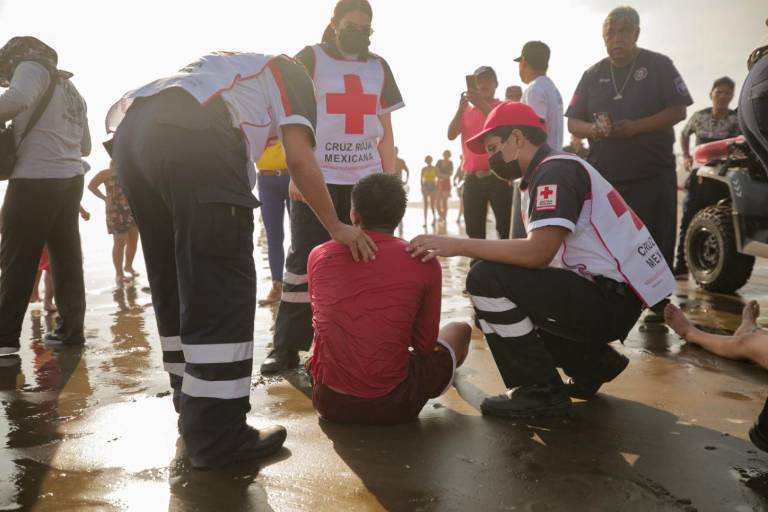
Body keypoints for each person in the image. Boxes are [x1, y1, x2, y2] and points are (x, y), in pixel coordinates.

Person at [106, 51, 376, 469]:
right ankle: (218, 437)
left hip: (132, 134)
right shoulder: (292, 74)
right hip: (196, 134)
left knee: (175, 276)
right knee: (221, 282)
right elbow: (300, 159)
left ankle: (191, 408)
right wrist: (338, 227)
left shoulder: (231, 67)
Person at [408, 102, 675, 418]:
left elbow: (538, 253)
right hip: (613, 297)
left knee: (484, 280)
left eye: (494, 148)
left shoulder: (554, 172)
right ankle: (592, 363)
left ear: (517, 138)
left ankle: (538, 390)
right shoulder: (548, 169)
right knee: (493, 297)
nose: (491, 158)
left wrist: (458, 245)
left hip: (606, 301)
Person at [261, 0, 404, 374]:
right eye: (351, 25)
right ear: (334, 24)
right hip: (319, 177)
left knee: (368, 257)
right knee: (303, 260)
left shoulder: (379, 67)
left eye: (365, 28)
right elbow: (292, 115)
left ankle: (364, 339)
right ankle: (287, 347)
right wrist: (297, 172)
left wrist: (389, 181)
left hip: (366, 179)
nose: (358, 33)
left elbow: (385, 131)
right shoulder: (309, 58)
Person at [309, 174, 472, 424]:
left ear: (354, 214)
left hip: (328, 402)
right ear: (400, 216)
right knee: (459, 330)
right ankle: (448, 376)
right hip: (394, 405)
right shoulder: (421, 260)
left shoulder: (318, 255)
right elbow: (425, 346)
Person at [566, 6, 692, 283]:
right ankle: (609, 299)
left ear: (636, 33)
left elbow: (678, 110)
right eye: (610, 33)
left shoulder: (659, 65)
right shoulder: (592, 73)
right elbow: (573, 122)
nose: (617, 38)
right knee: (606, 242)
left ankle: (659, 305)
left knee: (656, 241)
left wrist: (636, 127)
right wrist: (594, 130)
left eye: (623, 31)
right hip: (606, 178)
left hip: (652, 173)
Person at [0, 36, 90, 354]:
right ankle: (70, 332)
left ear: (15, 57)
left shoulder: (31, 66)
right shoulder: (72, 90)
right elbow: (86, 147)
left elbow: (14, 101)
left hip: (34, 179)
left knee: (16, 259)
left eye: (6, 73)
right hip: (70, 179)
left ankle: (5, 339)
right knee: (67, 260)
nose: (7, 78)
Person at [673, 77, 741, 277]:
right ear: (711, 93)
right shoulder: (698, 116)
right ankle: (681, 265)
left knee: (724, 225)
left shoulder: (736, 120)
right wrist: (686, 155)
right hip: (700, 176)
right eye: (719, 92)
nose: (722, 97)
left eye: (727, 93)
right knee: (688, 220)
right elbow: (684, 134)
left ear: (732, 97)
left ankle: (717, 269)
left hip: (724, 178)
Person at [448, 66, 511, 240]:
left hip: (500, 176)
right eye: (478, 81)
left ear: (496, 84)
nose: (482, 84)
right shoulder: (466, 112)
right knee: (474, 232)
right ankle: (478, 266)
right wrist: (461, 109)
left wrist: (482, 104)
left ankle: (505, 267)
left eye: (487, 79)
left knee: (505, 229)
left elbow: (502, 127)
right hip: (472, 178)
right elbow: (451, 134)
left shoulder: (503, 106)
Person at [88, 158, 140, 282]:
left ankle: (128, 266)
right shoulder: (107, 173)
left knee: (133, 239)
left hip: (132, 209)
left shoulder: (130, 172)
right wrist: (105, 198)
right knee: (120, 242)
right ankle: (119, 274)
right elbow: (91, 186)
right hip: (115, 211)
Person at [255, 142, 291, 306]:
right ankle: (277, 286)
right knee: (273, 237)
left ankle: (303, 285)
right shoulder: (256, 115)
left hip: (293, 175)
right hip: (266, 179)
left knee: (300, 234)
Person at [517, 41, 564, 149]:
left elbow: (537, 130)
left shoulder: (535, 88)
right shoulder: (551, 87)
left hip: (542, 159)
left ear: (523, 62)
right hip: (554, 155)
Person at [436, 149, 453, 221]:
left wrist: (444, 176)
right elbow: (436, 171)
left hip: (447, 182)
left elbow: (451, 173)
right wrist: (442, 176)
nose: (446, 156)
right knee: (437, 201)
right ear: (443, 154)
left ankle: (444, 216)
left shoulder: (450, 163)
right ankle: (440, 215)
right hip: (439, 182)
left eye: (448, 154)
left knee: (444, 201)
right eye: (445, 154)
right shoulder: (439, 162)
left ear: (449, 155)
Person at [420, 155, 438, 227]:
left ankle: (434, 219)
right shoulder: (423, 169)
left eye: (429, 160)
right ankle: (425, 222)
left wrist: (437, 186)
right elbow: (421, 179)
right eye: (427, 160)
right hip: (425, 186)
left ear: (431, 160)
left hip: (433, 186)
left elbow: (438, 178)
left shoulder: (435, 168)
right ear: (426, 161)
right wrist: (422, 187)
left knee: (432, 204)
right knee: (425, 204)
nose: (428, 161)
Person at [454, 155, 466, 223]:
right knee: (462, 202)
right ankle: (459, 217)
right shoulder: (460, 167)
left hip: (466, 187)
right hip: (461, 187)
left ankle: (460, 217)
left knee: (463, 203)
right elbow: (455, 177)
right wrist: (454, 182)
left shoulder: (466, 166)